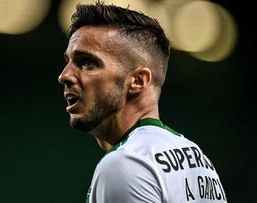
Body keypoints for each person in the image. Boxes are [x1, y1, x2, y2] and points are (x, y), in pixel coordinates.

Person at [58, 1, 227, 202]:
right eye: (68, 62)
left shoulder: (126, 163)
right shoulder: (199, 160)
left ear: (138, 81)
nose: (64, 75)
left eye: (87, 62)